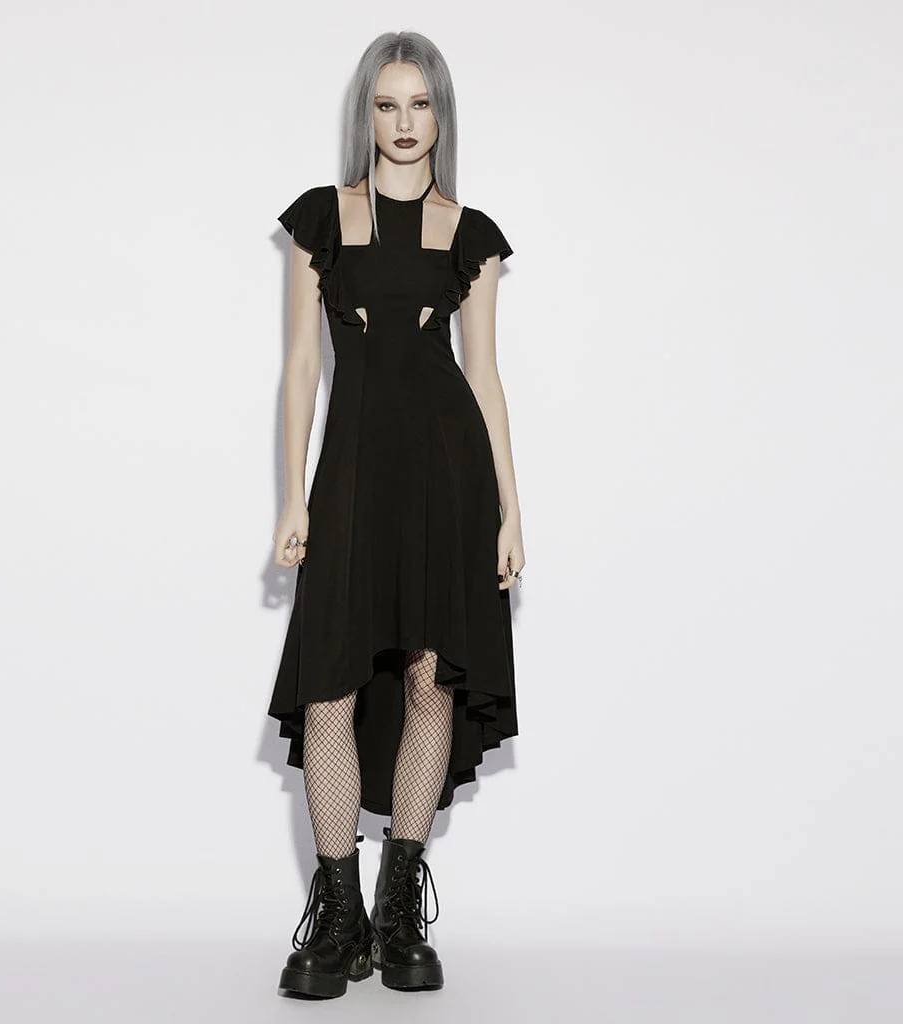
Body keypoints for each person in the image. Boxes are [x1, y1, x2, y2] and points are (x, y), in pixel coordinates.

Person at [268, 30, 524, 999]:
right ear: (365, 114)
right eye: (387, 104)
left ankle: (399, 906)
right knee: (329, 688)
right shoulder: (323, 219)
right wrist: (293, 495)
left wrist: (510, 510)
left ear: (440, 115)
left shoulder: (468, 233)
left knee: (428, 683)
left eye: (420, 104)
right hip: (351, 475)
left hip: (446, 478)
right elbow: (301, 366)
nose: (404, 122)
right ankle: (337, 919)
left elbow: (484, 378)